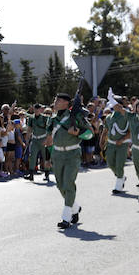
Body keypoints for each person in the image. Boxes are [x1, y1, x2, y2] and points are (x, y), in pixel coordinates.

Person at [44, 93, 92, 228]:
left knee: (68, 183)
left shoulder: (76, 116)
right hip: (57, 154)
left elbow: (90, 133)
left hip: (72, 153)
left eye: (58, 100)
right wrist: (47, 158)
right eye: (55, 99)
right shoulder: (52, 119)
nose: (55, 102)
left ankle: (66, 218)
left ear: (66, 103)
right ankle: (75, 207)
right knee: (60, 185)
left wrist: (78, 133)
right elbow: (48, 140)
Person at [105, 100, 131, 194]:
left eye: (117, 104)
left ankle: (118, 185)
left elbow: (130, 131)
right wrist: (102, 140)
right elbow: (106, 130)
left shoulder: (126, 116)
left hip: (122, 144)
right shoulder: (109, 117)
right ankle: (121, 177)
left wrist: (123, 140)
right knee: (110, 163)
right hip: (111, 143)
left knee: (119, 163)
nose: (115, 106)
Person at [25, 105, 51, 181]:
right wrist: (27, 139)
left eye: (38, 109)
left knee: (45, 157)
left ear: (40, 110)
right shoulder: (31, 118)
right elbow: (29, 129)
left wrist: (48, 140)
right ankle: (31, 174)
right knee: (32, 156)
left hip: (43, 139)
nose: (36, 111)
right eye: (35, 109)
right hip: (35, 139)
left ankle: (46, 174)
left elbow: (49, 129)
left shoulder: (45, 118)